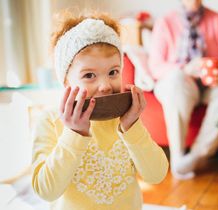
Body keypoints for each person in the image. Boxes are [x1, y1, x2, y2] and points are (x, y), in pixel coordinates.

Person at [31, 12, 169, 210]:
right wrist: (74, 134)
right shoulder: (49, 120)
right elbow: (47, 191)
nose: (105, 86)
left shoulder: (126, 119)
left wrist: (132, 127)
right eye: (89, 75)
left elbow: (156, 175)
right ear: (66, 81)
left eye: (113, 72)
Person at [148, 0, 218, 179]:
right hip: (177, 84)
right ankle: (177, 158)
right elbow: (155, 66)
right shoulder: (165, 22)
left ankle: (196, 156)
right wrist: (185, 69)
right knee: (176, 79)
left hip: (211, 85)